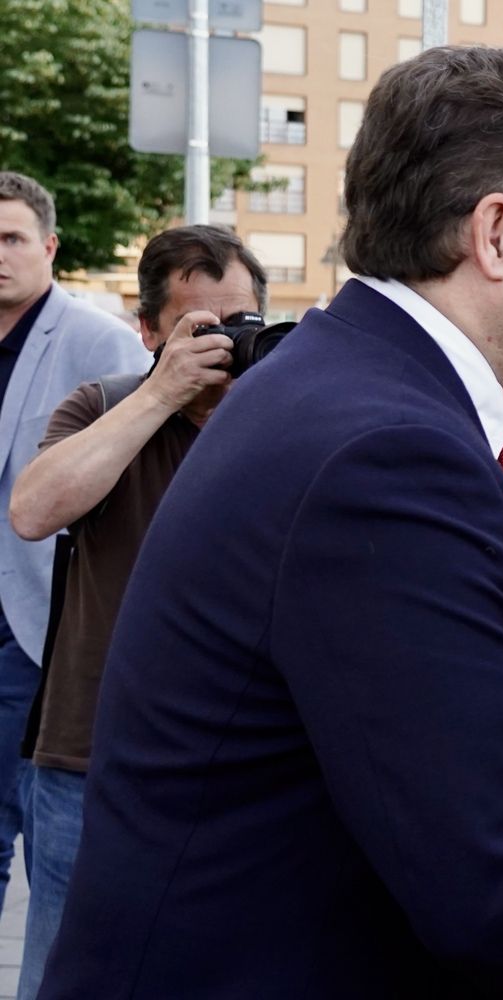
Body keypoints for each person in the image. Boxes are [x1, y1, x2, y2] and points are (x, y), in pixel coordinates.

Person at [38, 47, 503, 1000]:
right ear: (499, 233)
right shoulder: (387, 454)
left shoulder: (349, 387)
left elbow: (435, 719)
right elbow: (499, 887)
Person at [9, 224, 266, 1000]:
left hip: (241, 761)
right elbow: (32, 510)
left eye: (241, 321)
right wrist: (162, 391)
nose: (225, 343)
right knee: (66, 971)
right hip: (91, 754)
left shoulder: (284, 418)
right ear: (151, 331)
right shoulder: (106, 405)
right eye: (201, 326)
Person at [0, 171, 147, 912]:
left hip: (36, 631)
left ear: (50, 246)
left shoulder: (99, 340)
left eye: (12, 238)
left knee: (41, 832)